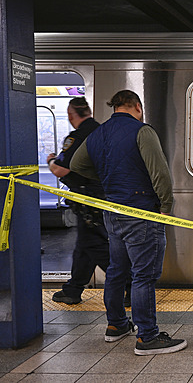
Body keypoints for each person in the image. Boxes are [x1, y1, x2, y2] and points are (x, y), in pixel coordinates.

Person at [70, 90, 187, 355]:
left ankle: (117, 325)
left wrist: (107, 177)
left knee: (116, 270)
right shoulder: (142, 131)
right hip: (142, 212)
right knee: (143, 275)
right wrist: (166, 208)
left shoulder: (98, 133)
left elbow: (77, 164)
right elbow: (160, 173)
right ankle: (148, 336)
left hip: (112, 212)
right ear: (137, 106)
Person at [48, 97, 111, 305]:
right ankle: (73, 289)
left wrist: (50, 160)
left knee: (93, 243)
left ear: (71, 115)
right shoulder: (103, 131)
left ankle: (127, 284)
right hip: (105, 195)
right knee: (86, 243)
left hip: (87, 199)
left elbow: (60, 169)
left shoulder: (77, 137)